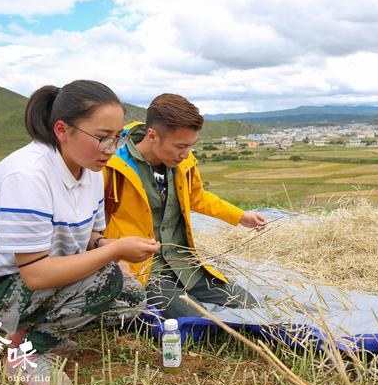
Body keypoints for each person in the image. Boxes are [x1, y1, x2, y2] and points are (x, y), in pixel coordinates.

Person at [0, 80, 160, 385]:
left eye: (117, 138)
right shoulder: (27, 176)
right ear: (62, 129)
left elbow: (90, 233)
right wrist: (114, 251)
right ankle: (22, 352)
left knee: (131, 295)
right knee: (106, 279)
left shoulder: (90, 168)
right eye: (102, 137)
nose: (111, 148)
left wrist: (104, 244)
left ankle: (34, 325)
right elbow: (36, 274)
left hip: (34, 277)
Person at [103, 93, 267, 318]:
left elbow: (197, 196)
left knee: (249, 304)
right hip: (145, 271)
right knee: (196, 321)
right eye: (180, 146)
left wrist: (240, 216)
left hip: (184, 264)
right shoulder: (112, 167)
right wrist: (117, 261)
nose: (186, 154)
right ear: (152, 135)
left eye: (191, 146)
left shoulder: (183, 162)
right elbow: (93, 224)